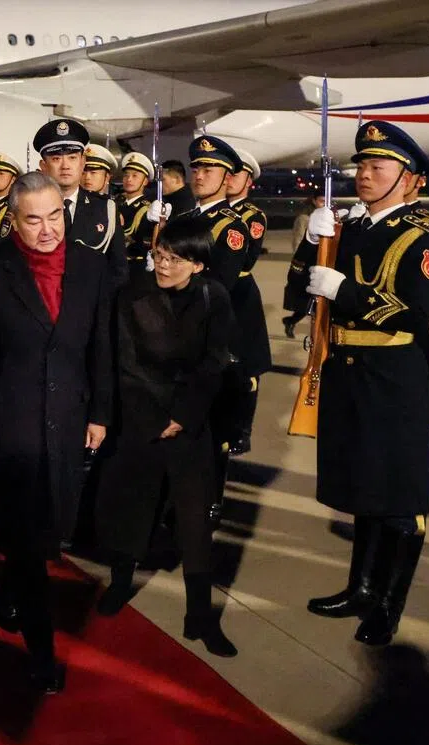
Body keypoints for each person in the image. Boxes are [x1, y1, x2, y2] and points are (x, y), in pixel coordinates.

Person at [289, 121, 429, 646]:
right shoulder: (350, 227)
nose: (365, 174)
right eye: (362, 166)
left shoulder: (423, 234)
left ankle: (387, 607)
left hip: (394, 379)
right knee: (362, 487)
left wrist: (346, 293)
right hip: (347, 372)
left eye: (379, 167)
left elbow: (415, 312)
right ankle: (360, 589)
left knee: (399, 498)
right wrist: (310, 246)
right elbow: (304, 291)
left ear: (411, 179)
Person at [0, 172, 111, 691]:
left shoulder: (91, 266)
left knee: (52, 524)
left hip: (71, 416)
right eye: (34, 219)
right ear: (14, 221)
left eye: (56, 215)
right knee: (30, 536)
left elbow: (101, 344)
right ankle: (41, 648)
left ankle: (11, 583)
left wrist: (100, 412)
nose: (48, 228)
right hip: (12, 419)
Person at [94, 215, 237, 658]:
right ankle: (120, 584)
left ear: (198, 265)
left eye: (176, 259)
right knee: (131, 509)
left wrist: (184, 416)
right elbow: (124, 364)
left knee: (196, 522)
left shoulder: (215, 298)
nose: (164, 266)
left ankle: (200, 616)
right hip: (142, 419)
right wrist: (156, 418)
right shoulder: (131, 295)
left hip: (190, 425)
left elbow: (215, 363)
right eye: (160, 256)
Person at [161, 136, 260, 519]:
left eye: (210, 169)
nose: (200, 176)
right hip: (176, 335)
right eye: (196, 168)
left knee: (211, 425)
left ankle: (210, 499)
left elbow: (219, 284)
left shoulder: (230, 227)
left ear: (228, 177)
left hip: (211, 336)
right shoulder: (185, 219)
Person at [34, 118, 128, 287]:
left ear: (83, 162)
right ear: (43, 166)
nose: (65, 166)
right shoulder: (30, 209)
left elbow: (118, 272)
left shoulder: (105, 209)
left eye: (72, 158)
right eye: (56, 159)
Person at [222, 146, 272, 456]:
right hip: (219, 291)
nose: (230, 179)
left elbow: (247, 257)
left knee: (244, 368)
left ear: (248, 180)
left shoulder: (252, 216)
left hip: (239, 295)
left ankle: (242, 429)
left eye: (237, 174)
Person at [283, 191, 326, 338]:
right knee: (308, 300)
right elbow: (298, 241)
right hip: (307, 264)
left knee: (313, 301)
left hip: (321, 263)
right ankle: (292, 321)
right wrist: (299, 264)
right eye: (321, 200)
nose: (324, 204)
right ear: (314, 201)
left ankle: (291, 320)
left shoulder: (326, 217)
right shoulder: (304, 218)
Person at [116, 151, 157, 283]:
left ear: (145, 181)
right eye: (126, 175)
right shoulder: (115, 202)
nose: (129, 180)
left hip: (135, 268)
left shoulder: (149, 208)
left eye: (135, 176)